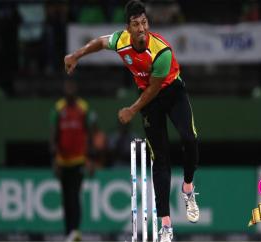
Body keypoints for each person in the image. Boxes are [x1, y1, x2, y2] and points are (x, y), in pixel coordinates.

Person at [64, 1, 199, 241]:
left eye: (144, 23)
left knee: (189, 139)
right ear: (128, 27)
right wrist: (76, 55)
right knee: (161, 158)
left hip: (171, 92)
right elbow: (99, 42)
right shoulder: (121, 40)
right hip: (148, 100)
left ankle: (188, 188)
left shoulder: (161, 51)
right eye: (136, 24)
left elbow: (155, 88)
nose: (141, 29)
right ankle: (166, 226)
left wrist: (132, 110)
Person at [50, 79, 97, 242]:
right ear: (64, 89)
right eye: (66, 87)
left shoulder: (83, 108)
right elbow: (54, 136)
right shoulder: (58, 108)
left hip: (79, 160)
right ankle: (68, 232)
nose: (69, 89)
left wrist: (91, 158)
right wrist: (54, 159)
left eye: (72, 86)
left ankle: (76, 231)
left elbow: (89, 134)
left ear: (76, 89)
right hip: (63, 161)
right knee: (65, 198)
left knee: (75, 196)